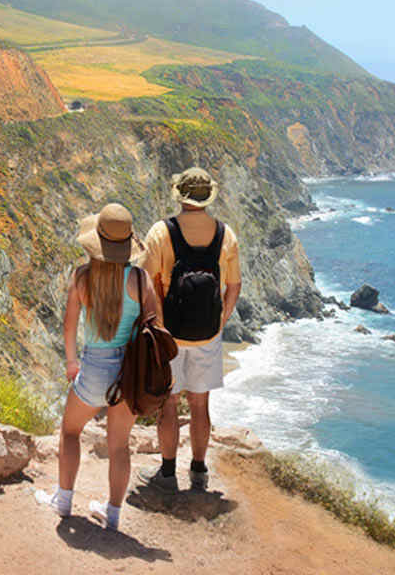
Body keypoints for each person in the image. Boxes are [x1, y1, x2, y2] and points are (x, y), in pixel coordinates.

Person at [36, 203, 159, 530]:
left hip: (94, 368)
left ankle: (63, 501)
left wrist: (72, 362)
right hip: (129, 373)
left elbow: (68, 326)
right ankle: (113, 514)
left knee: (70, 431)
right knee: (119, 446)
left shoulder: (82, 277)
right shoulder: (139, 279)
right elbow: (155, 327)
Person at [141, 168, 241, 492]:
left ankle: (167, 474)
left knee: (168, 404)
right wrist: (220, 321)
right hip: (207, 335)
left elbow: (146, 283)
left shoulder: (161, 232)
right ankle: (199, 473)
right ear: (208, 196)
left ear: (180, 195)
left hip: (168, 335)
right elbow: (234, 286)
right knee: (201, 406)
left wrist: (156, 327)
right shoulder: (226, 234)